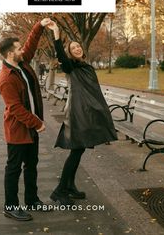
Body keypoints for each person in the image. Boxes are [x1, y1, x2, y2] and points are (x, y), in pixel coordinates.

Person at [47, 20, 118, 205]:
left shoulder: (85, 66)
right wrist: (56, 32)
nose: (77, 49)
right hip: (79, 114)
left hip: (87, 113)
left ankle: (69, 186)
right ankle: (60, 191)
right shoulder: (71, 66)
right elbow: (61, 56)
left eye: (78, 46)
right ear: (69, 53)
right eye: (73, 48)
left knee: (78, 151)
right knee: (76, 151)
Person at [0, 18, 51, 221]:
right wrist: (37, 123)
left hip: (31, 129)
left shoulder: (22, 63)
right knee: (13, 169)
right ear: (10, 53)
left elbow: (31, 44)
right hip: (19, 131)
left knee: (32, 165)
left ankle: (32, 200)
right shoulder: (6, 78)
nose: (22, 51)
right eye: (18, 49)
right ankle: (10, 207)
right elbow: (16, 109)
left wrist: (40, 26)